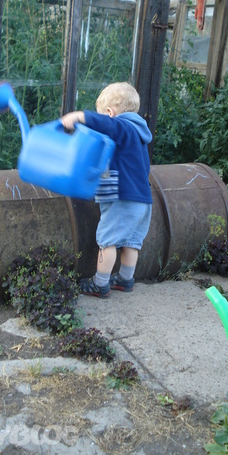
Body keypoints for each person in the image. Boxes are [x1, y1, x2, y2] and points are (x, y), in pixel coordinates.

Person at [61, 82, 152, 298]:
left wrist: (79, 116)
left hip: (122, 198)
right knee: (131, 243)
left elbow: (107, 125)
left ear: (110, 113)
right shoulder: (139, 133)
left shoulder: (123, 127)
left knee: (107, 240)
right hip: (143, 199)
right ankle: (125, 279)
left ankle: (100, 283)